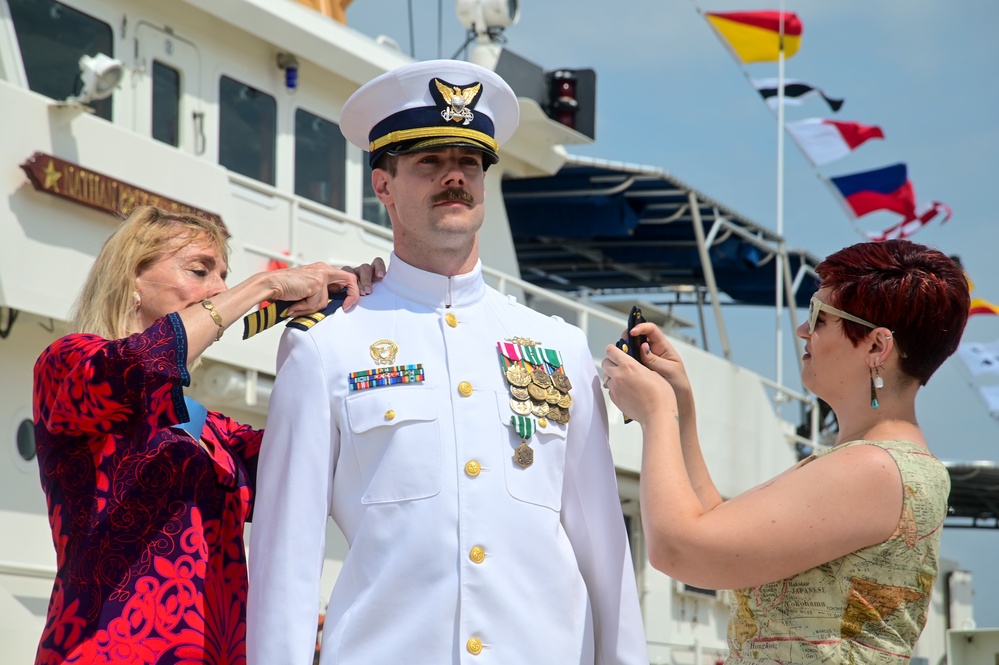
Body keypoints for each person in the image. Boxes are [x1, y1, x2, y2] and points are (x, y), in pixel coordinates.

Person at [247, 59, 648, 665]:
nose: (453, 178)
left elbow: (604, 549)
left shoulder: (558, 345)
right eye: (429, 163)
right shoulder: (326, 345)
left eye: (467, 163)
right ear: (384, 185)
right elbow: (286, 555)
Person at [601, 239, 969, 664]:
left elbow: (679, 550)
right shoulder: (881, 461)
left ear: (876, 347)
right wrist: (679, 402)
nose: (802, 330)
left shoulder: (873, 467)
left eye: (819, 316)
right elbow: (714, 527)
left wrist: (656, 415)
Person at [32, 205, 369, 664]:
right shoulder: (69, 363)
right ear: (131, 278)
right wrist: (265, 285)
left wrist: (368, 313)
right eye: (200, 270)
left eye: (225, 276)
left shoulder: (213, 431)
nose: (220, 289)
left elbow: (315, 450)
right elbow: (144, 364)